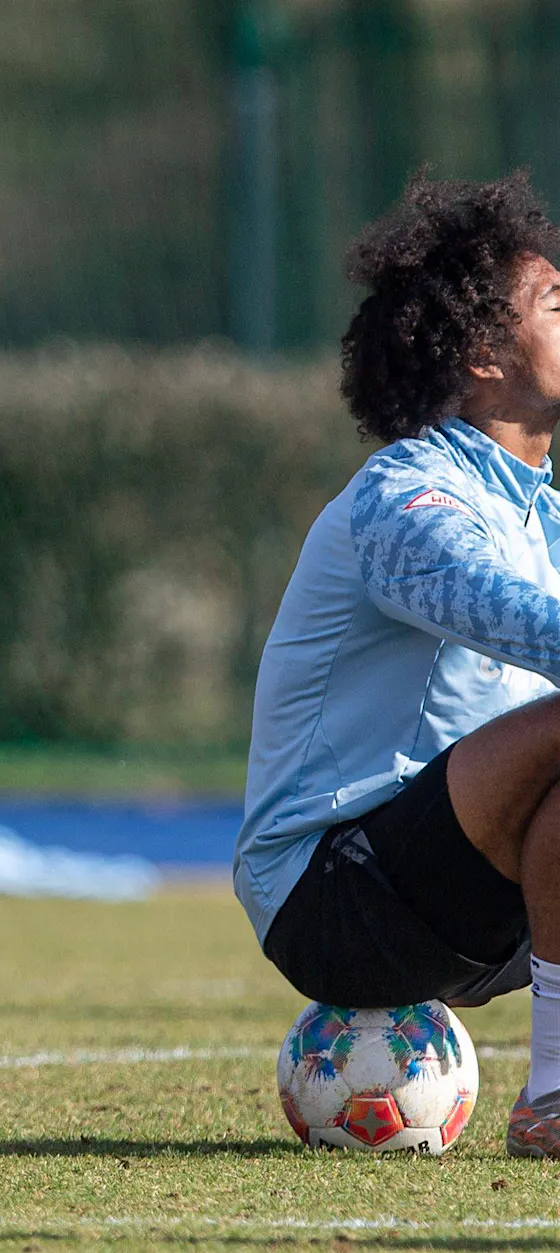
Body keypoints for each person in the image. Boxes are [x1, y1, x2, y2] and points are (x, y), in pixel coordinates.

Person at [237, 171, 560, 1156]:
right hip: (331, 896)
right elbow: (512, 615)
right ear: (481, 352)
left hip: (463, 889)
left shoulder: (542, 510)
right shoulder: (404, 496)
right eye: (555, 302)